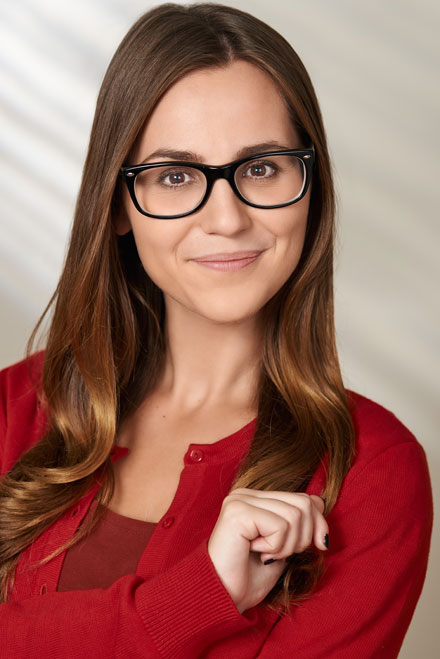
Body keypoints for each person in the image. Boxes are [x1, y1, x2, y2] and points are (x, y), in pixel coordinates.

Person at [0, 2, 433, 657]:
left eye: (261, 168)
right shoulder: (11, 410)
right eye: (176, 176)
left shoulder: (373, 473)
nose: (226, 218)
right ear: (118, 204)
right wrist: (195, 598)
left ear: (309, 187)